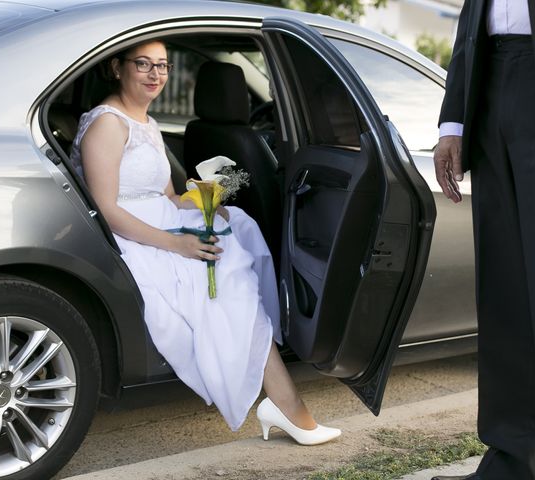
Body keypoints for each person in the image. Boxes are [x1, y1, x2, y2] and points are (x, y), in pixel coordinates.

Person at [70, 39, 341, 445]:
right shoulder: (108, 123)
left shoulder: (148, 123)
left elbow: (168, 198)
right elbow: (106, 209)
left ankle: (281, 396)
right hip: (133, 237)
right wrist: (174, 244)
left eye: (162, 66)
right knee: (227, 271)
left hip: (159, 221)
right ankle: (287, 404)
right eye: (143, 64)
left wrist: (208, 200)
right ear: (116, 67)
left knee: (240, 226)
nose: (155, 74)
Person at [432, 1, 535, 479]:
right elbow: (473, 19)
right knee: (504, 298)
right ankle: (514, 462)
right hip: (490, 89)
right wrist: (453, 120)